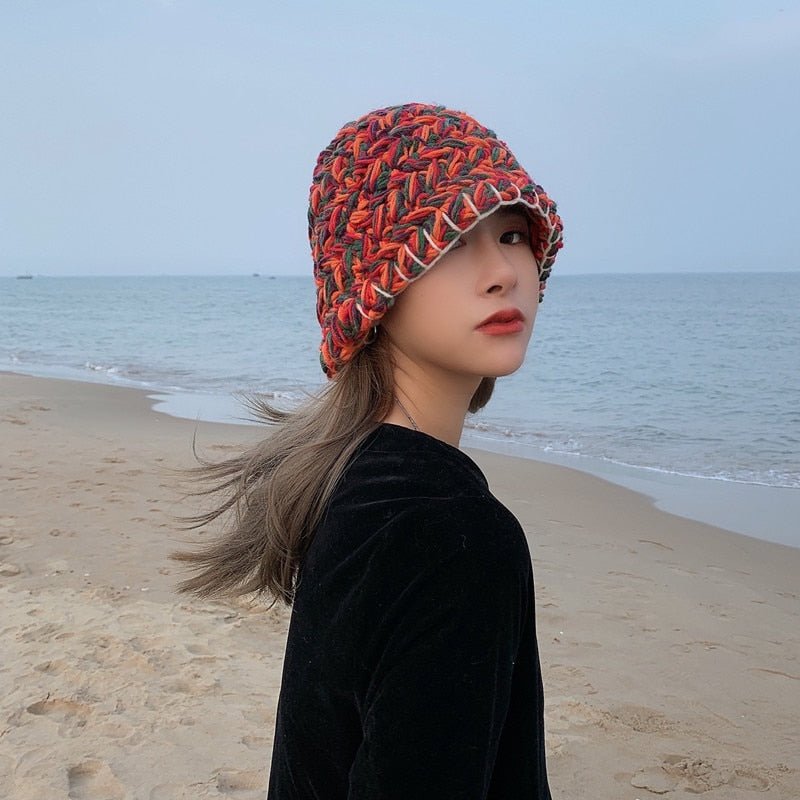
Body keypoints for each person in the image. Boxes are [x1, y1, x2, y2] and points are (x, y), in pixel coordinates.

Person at [173, 102, 564, 799]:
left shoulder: (351, 478)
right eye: (448, 242)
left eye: (511, 233)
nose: (503, 271)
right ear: (374, 287)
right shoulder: (453, 535)